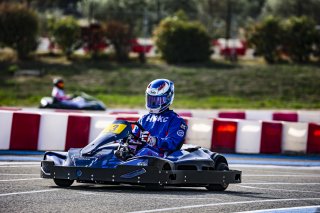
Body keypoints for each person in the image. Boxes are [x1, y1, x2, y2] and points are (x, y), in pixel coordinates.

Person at [130, 79, 188, 158]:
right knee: (112, 149)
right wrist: (128, 142)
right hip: (140, 157)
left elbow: (173, 143)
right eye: (151, 99)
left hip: (161, 158)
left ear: (167, 98)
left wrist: (154, 141)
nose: (153, 103)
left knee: (145, 152)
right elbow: (133, 137)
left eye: (157, 100)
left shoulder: (176, 121)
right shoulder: (144, 118)